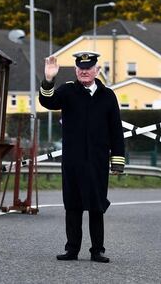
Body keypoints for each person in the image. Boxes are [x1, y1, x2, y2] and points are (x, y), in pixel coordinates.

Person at [39, 51, 125, 263]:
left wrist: (117, 160)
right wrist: (49, 78)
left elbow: (116, 130)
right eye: (80, 69)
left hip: (97, 161)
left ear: (96, 70)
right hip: (73, 161)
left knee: (96, 206)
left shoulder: (108, 95)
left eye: (88, 69)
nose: (84, 72)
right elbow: (47, 102)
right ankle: (72, 249)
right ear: (76, 70)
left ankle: (97, 250)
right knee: (73, 206)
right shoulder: (68, 91)